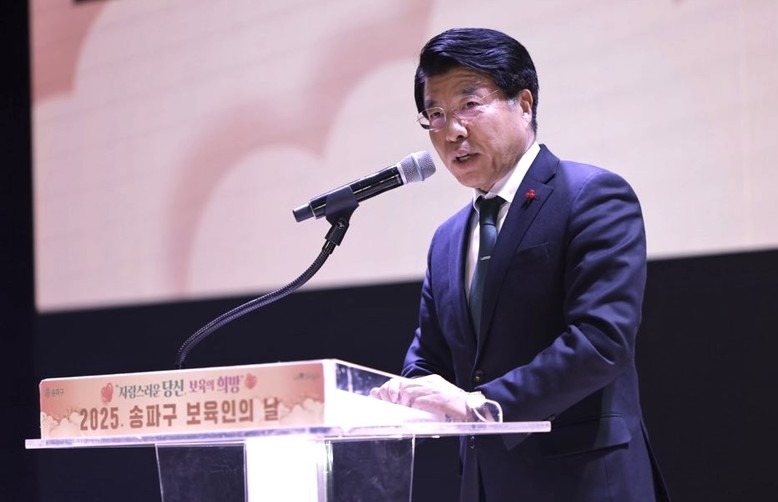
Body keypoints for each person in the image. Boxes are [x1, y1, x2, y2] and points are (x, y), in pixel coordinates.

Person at [370, 27, 670, 501]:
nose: (452, 131)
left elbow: (601, 341)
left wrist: (484, 406)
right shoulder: (447, 239)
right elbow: (428, 359)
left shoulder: (591, 196)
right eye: (436, 114)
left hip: (584, 483)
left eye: (470, 105)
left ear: (524, 104)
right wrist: (403, 397)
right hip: (486, 486)